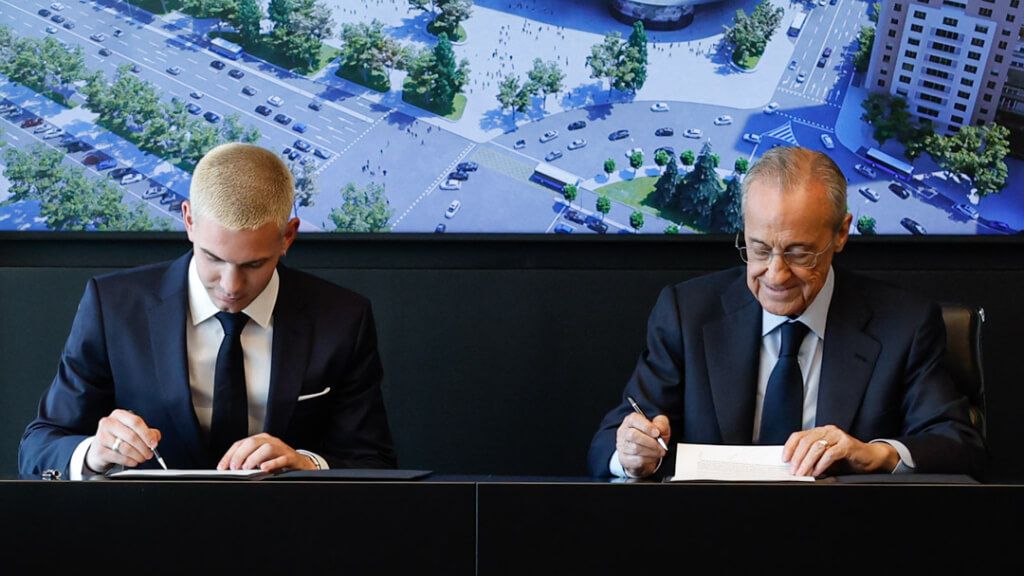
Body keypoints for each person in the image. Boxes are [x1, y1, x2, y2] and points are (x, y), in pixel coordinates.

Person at [587, 146, 984, 479]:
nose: (775, 275)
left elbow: (957, 445)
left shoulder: (905, 324)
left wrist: (875, 454)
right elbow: (609, 441)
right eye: (758, 249)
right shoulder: (686, 313)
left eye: (799, 253)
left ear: (841, 233)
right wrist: (629, 453)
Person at [20, 143, 396, 479]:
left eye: (253, 265)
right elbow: (40, 446)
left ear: (288, 236)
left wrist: (307, 464)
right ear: (188, 220)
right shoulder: (114, 306)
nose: (230, 286)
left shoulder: (344, 318)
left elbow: (374, 462)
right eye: (213, 258)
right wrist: (94, 454)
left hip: (287, 538)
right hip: (143, 536)